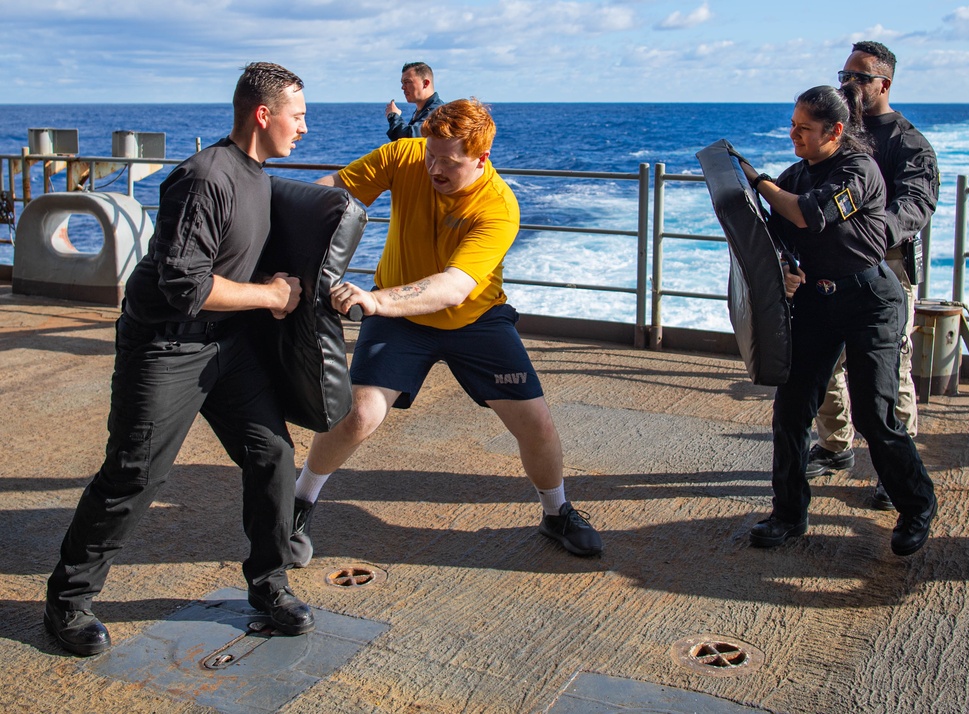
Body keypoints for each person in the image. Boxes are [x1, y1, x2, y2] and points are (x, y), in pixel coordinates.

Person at [44, 62, 315, 657]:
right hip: (167, 344)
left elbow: (232, 259)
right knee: (135, 472)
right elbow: (183, 286)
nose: (304, 127)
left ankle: (269, 585)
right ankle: (68, 599)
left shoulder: (258, 174)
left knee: (270, 453)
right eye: (297, 115)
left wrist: (275, 283)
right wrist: (270, 296)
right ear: (262, 115)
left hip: (227, 343)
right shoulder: (203, 177)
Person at [290, 98, 603, 564]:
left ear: (481, 157)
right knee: (358, 415)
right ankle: (297, 504)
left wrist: (375, 301)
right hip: (400, 317)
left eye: (448, 161)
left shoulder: (498, 207)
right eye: (430, 154)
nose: (433, 167)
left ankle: (555, 512)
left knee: (535, 423)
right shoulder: (406, 156)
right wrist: (279, 216)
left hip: (474, 318)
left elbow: (454, 287)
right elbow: (331, 191)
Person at [739, 83, 937, 556]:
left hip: (871, 301)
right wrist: (786, 268)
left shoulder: (858, 169)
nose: (794, 135)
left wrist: (760, 181)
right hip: (817, 303)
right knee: (791, 410)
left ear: (836, 130)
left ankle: (917, 506)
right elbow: (779, 233)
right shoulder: (797, 172)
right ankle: (788, 514)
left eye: (804, 129)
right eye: (792, 126)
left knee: (875, 412)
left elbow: (809, 215)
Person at [806, 41, 940, 514]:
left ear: (884, 84)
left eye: (860, 77)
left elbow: (916, 206)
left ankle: (894, 470)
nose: (848, 84)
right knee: (825, 364)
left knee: (889, 370)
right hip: (833, 269)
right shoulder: (838, 133)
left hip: (889, 269)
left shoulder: (909, 143)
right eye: (844, 74)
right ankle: (835, 445)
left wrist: (869, 238)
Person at [385, 62, 445, 141]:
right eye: (402, 83)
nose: (403, 87)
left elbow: (409, 139)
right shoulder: (424, 111)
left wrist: (393, 116)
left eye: (407, 82)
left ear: (425, 83)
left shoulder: (438, 113)